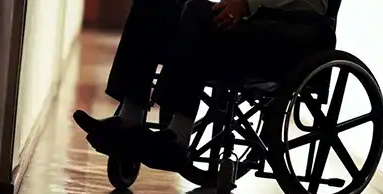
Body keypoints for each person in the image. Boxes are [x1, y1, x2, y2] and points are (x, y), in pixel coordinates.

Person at [73, 0, 332, 171]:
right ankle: (129, 118)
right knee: (155, 2)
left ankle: (177, 136)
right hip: (255, 22)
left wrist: (246, 2)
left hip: (294, 30)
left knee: (200, 14)